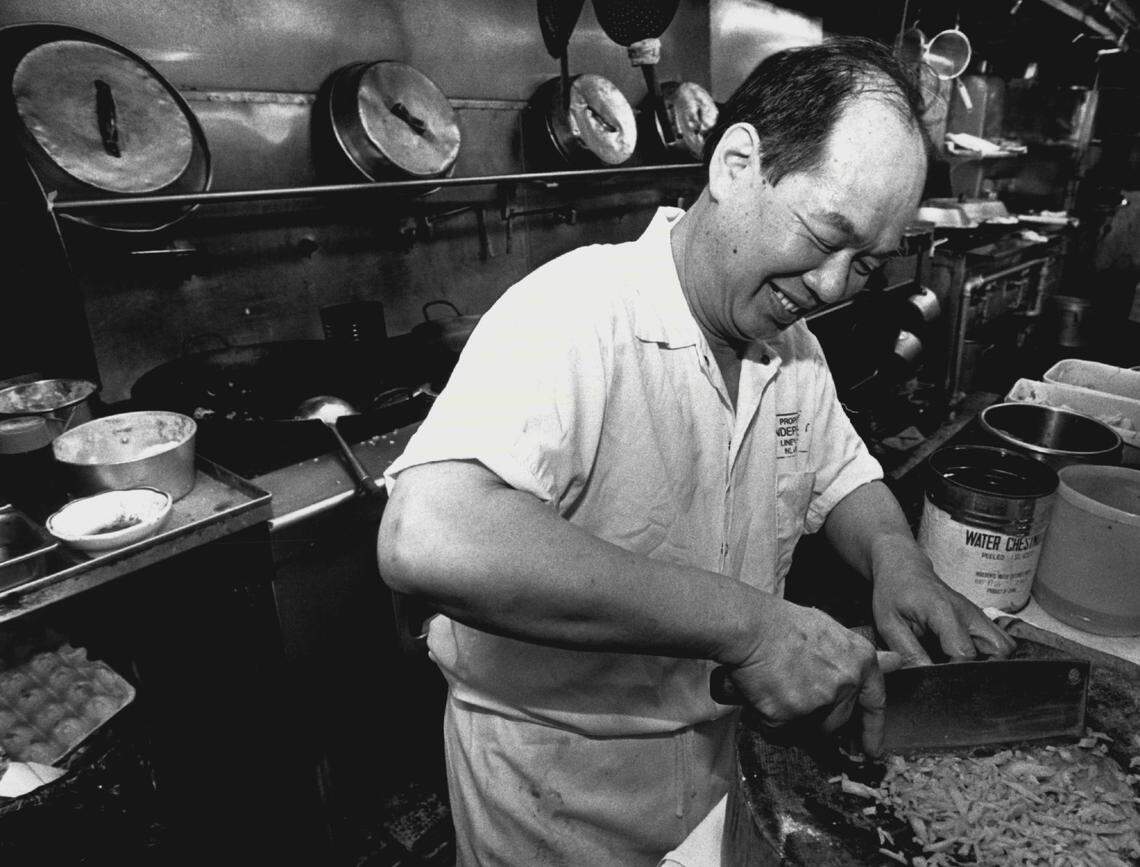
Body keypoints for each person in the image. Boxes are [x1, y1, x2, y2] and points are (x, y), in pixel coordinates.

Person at [377, 35, 1015, 866]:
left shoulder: (791, 348)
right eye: (825, 234)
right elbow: (428, 534)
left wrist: (899, 560)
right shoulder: (575, 312)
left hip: (722, 767)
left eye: (865, 263)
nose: (831, 285)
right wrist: (749, 626)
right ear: (736, 165)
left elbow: (842, 474)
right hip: (559, 795)